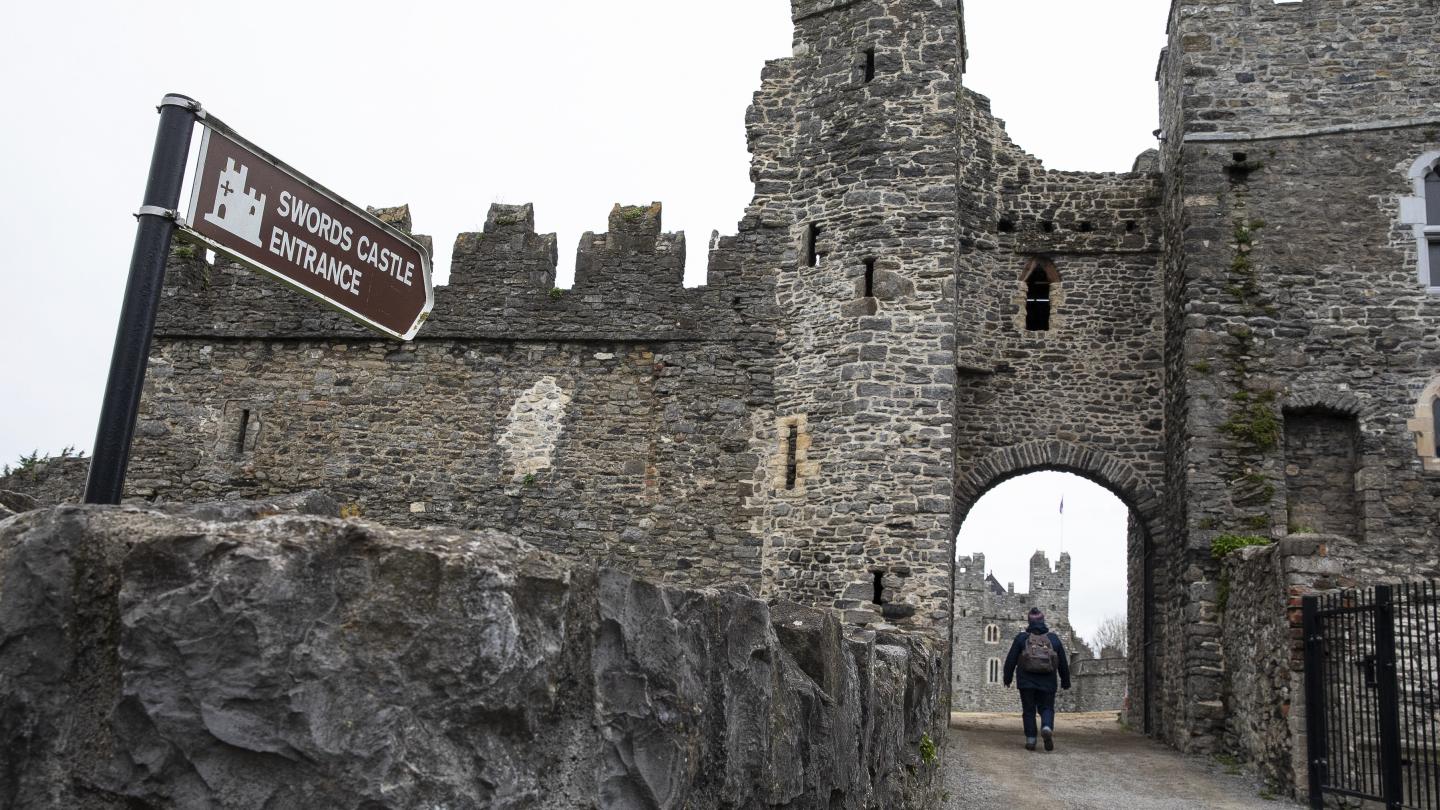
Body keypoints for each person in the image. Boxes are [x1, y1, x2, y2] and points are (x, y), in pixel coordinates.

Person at [1002, 607, 1071, 751]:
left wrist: (1007, 678)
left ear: (1029, 622)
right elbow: (1063, 662)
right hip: (1048, 682)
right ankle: (1046, 727)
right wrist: (1065, 681)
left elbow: (1011, 660)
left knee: (1029, 710)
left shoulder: (1022, 638)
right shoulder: (1053, 639)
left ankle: (1031, 739)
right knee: (1047, 708)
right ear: (1043, 621)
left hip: (1026, 682)